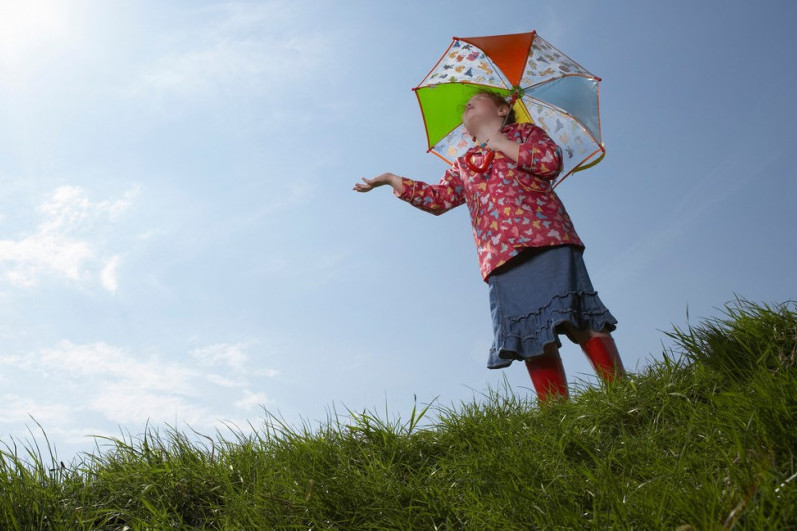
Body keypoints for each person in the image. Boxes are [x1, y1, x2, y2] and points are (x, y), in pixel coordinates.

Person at [353, 90, 625, 402]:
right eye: (465, 107)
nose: (467, 104)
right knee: (530, 333)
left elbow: (550, 162)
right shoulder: (463, 164)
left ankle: (620, 393)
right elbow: (439, 199)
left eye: (478, 99)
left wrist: (503, 144)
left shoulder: (525, 133)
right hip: (500, 258)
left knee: (579, 313)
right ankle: (557, 413)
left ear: (503, 109)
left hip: (546, 238)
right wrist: (391, 179)